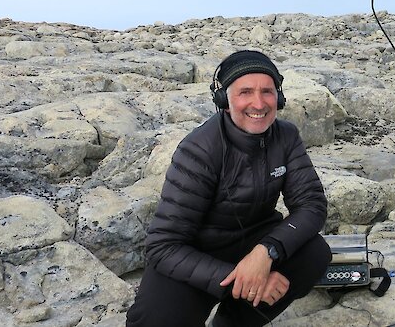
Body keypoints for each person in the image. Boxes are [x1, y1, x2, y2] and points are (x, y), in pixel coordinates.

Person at [126, 50, 331, 327]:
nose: (259, 103)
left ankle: (232, 322)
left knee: (314, 254)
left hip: (255, 239)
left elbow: (312, 205)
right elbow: (162, 246)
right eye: (245, 92)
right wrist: (240, 278)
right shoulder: (198, 150)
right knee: (153, 321)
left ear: (279, 97)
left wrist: (266, 252)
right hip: (195, 252)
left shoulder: (286, 136)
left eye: (267, 92)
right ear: (224, 100)